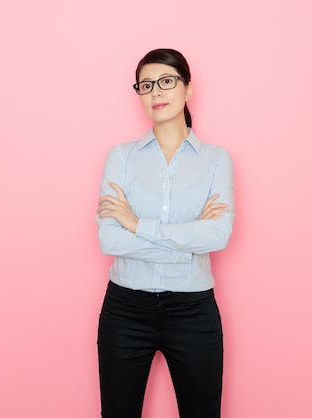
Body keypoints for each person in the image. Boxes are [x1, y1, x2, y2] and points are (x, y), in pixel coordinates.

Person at [95, 48, 235, 418]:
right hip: (125, 310)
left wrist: (137, 224)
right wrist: (188, 242)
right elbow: (110, 239)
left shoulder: (216, 160)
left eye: (167, 81)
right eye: (146, 85)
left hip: (193, 312)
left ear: (187, 89)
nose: (156, 92)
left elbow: (218, 236)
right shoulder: (121, 157)